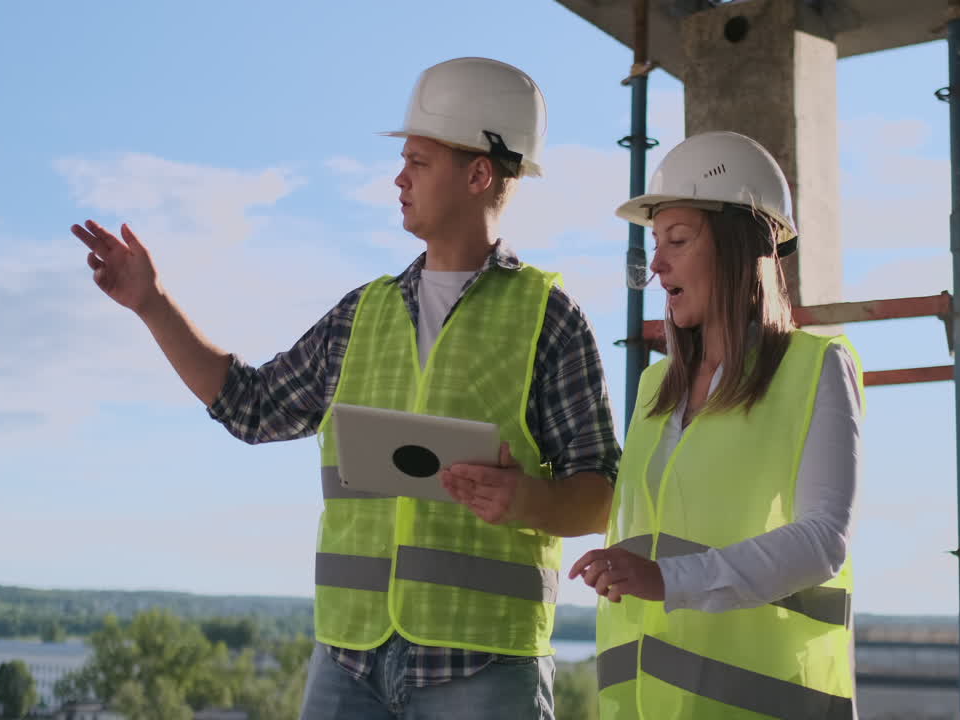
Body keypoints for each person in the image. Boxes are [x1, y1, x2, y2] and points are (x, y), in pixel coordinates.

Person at [71, 57, 619, 720]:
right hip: (347, 661)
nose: (398, 177)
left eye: (417, 161)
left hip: (482, 665)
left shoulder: (549, 319)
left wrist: (526, 498)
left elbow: (599, 497)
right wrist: (153, 304)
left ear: (478, 174)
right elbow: (250, 407)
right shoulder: (362, 315)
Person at [568, 131, 864, 720]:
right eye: (655, 243)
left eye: (677, 239)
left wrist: (666, 579)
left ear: (737, 247)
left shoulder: (816, 367)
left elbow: (823, 540)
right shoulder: (655, 389)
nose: (657, 264)